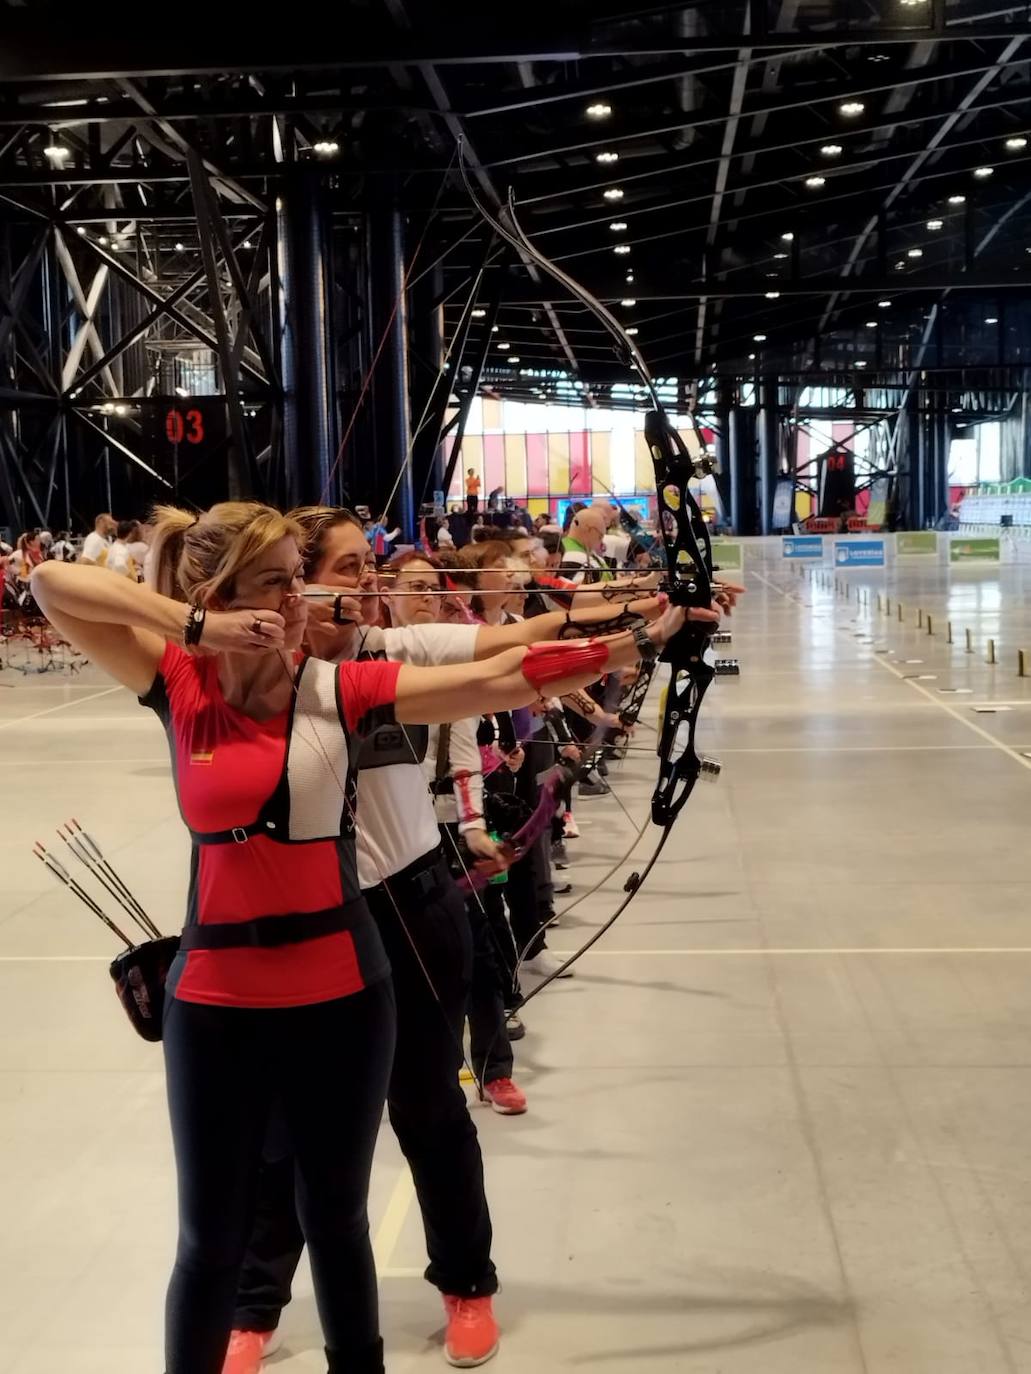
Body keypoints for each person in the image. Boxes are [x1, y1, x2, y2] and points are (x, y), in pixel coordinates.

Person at [31, 501, 628, 1374]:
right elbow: (53, 585)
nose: (298, 598)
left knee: (336, 1220)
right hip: (213, 1005)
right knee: (208, 1241)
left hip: (342, 997)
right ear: (221, 594)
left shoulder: (333, 686)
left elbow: (497, 679)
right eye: (276, 581)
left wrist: (631, 634)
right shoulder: (177, 685)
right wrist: (196, 627)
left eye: (297, 578)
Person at [221, 509, 689, 1374]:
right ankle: (252, 1307)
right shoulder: (246, 677)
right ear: (294, 581)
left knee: (429, 1107)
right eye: (341, 568)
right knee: (286, 1126)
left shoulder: (394, 656)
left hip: (408, 901)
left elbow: (526, 644)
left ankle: (466, 1283)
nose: (362, 581)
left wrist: (648, 612)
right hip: (303, 921)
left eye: (370, 564)